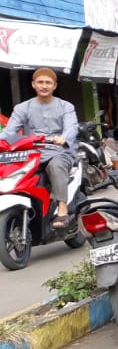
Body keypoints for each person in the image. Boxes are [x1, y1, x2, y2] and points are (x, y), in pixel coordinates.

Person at [0, 67, 79, 228]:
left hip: (59, 152)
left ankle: (62, 208)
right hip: (31, 153)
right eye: (40, 82)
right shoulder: (22, 108)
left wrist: (63, 138)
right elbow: (9, 132)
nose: (44, 86)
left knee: (56, 166)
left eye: (48, 83)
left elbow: (71, 128)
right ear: (33, 84)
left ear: (54, 86)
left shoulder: (66, 107)